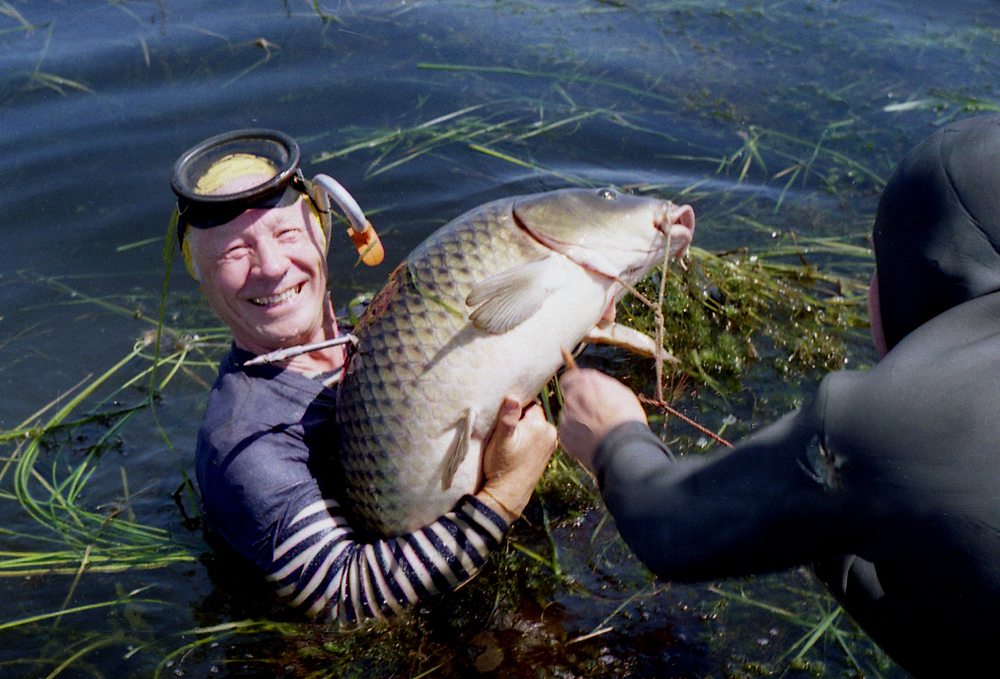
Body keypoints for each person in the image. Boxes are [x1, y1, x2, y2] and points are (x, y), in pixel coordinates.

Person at [557, 114, 1000, 677]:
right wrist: (821, 522)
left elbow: (668, 530)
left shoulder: (903, 415)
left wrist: (613, 437)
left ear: (914, 278)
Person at [170, 129, 556, 624]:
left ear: (322, 234)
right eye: (234, 252)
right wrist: (506, 493)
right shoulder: (243, 446)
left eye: (286, 234)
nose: (271, 267)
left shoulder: (371, 332)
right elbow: (345, 594)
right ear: (203, 279)